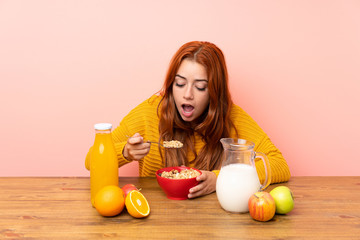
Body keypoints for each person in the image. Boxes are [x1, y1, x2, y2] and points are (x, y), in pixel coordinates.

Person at [85, 41, 291, 199]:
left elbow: (280, 165)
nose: (187, 95)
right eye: (180, 83)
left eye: (200, 87)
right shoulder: (148, 113)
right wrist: (125, 152)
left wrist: (219, 179)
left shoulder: (231, 117)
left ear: (214, 91)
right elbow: (90, 160)